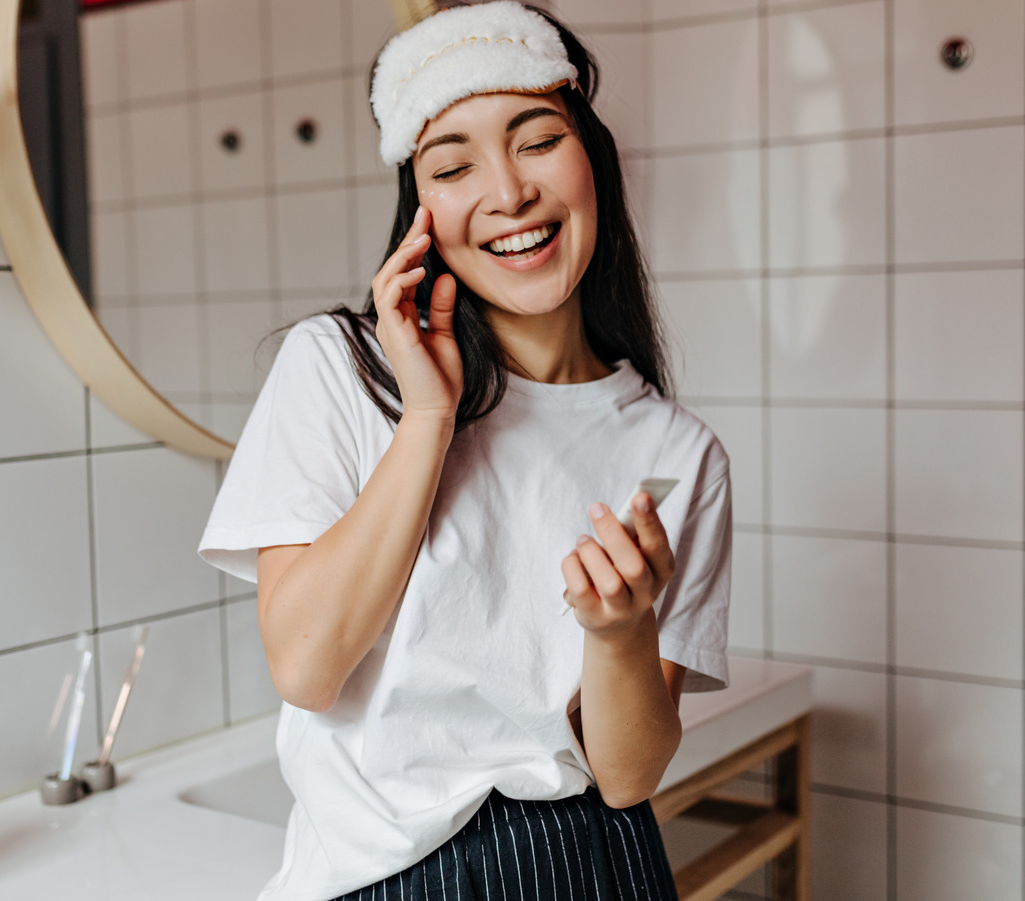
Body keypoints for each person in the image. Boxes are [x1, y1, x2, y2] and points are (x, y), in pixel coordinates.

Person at [197, 3, 732, 898]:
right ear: (423, 209)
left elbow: (629, 776)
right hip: (373, 878)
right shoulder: (340, 369)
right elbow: (306, 665)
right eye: (453, 164)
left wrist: (619, 630)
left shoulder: (675, 450)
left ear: (592, 160)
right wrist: (428, 418)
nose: (509, 192)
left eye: (536, 140)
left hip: (588, 867)